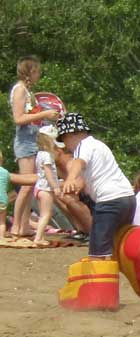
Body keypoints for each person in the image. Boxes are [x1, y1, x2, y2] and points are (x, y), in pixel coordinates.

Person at [57, 112, 136, 259]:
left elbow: (78, 163)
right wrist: (76, 185)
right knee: (118, 247)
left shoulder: (82, 146)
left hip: (109, 201)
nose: (66, 146)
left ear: (71, 134)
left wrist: (70, 178)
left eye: (64, 140)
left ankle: (99, 282)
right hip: (128, 199)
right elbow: (90, 177)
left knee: (97, 253)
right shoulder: (99, 145)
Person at [8, 56, 60, 238]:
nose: (39, 74)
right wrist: (45, 112)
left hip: (32, 140)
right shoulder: (19, 90)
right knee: (27, 184)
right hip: (24, 142)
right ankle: (16, 226)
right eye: (37, 71)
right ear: (30, 71)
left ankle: (23, 225)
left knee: (32, 184)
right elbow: (18, 118)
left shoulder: (28, 92)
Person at [32, 125, 64, 246]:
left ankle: (39, 236)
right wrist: (55, 187)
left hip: (39, 187)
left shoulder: (39, 154)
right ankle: (38, 238)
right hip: (46, 189)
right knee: (46, 214)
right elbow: (49, 173)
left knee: (43, 214)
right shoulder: (47, 156)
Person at [0, 148, 39, 238]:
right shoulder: (5, 172)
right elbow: (25, 180)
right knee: (1, 223)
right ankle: (1, 238)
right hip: (2, 201)